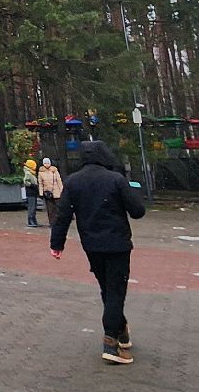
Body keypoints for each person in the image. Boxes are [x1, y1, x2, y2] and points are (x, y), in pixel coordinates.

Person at [50, 140, 147, 365]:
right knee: (115, 292)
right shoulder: (116, 180)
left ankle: (121, 331)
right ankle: (110, 343)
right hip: (118, 245)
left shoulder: (73, 182)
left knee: (107, 289)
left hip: (92, 246)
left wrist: (57, 244)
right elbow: (138, 211)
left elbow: (62, 216)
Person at [38, 155, 65, 222]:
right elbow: (40, 183)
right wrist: (41, 193)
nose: (46, 164)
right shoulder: (41, 173)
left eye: (48, 163)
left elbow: (59, 181)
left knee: (58, 207)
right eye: (45, 163)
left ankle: (59, 220)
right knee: (50, 209)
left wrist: (62, 190)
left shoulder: (55, 171)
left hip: (56, 191)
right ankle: (52, 222)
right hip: (47, 192)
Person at [23, 157, 41, 228]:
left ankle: (33, 220)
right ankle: (31, 220)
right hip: (31, 191)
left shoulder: (31, 172)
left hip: (33, 191)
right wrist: (33, 186)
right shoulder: (28, 173)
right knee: (32, 207)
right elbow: (26, 181)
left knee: (34, 206)